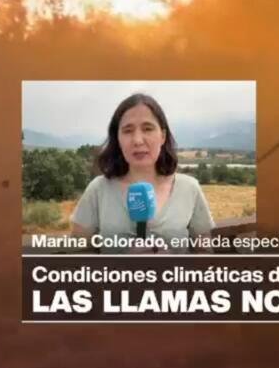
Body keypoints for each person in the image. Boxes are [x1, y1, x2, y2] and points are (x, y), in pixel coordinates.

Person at [71, 93, 215, 252]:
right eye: (127, 130)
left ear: (162, 136)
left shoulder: (189, 188)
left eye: (147, 129)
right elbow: (77, 257)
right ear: (117, 139)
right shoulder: (98, 189)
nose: (138, 140)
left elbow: (205, 256)